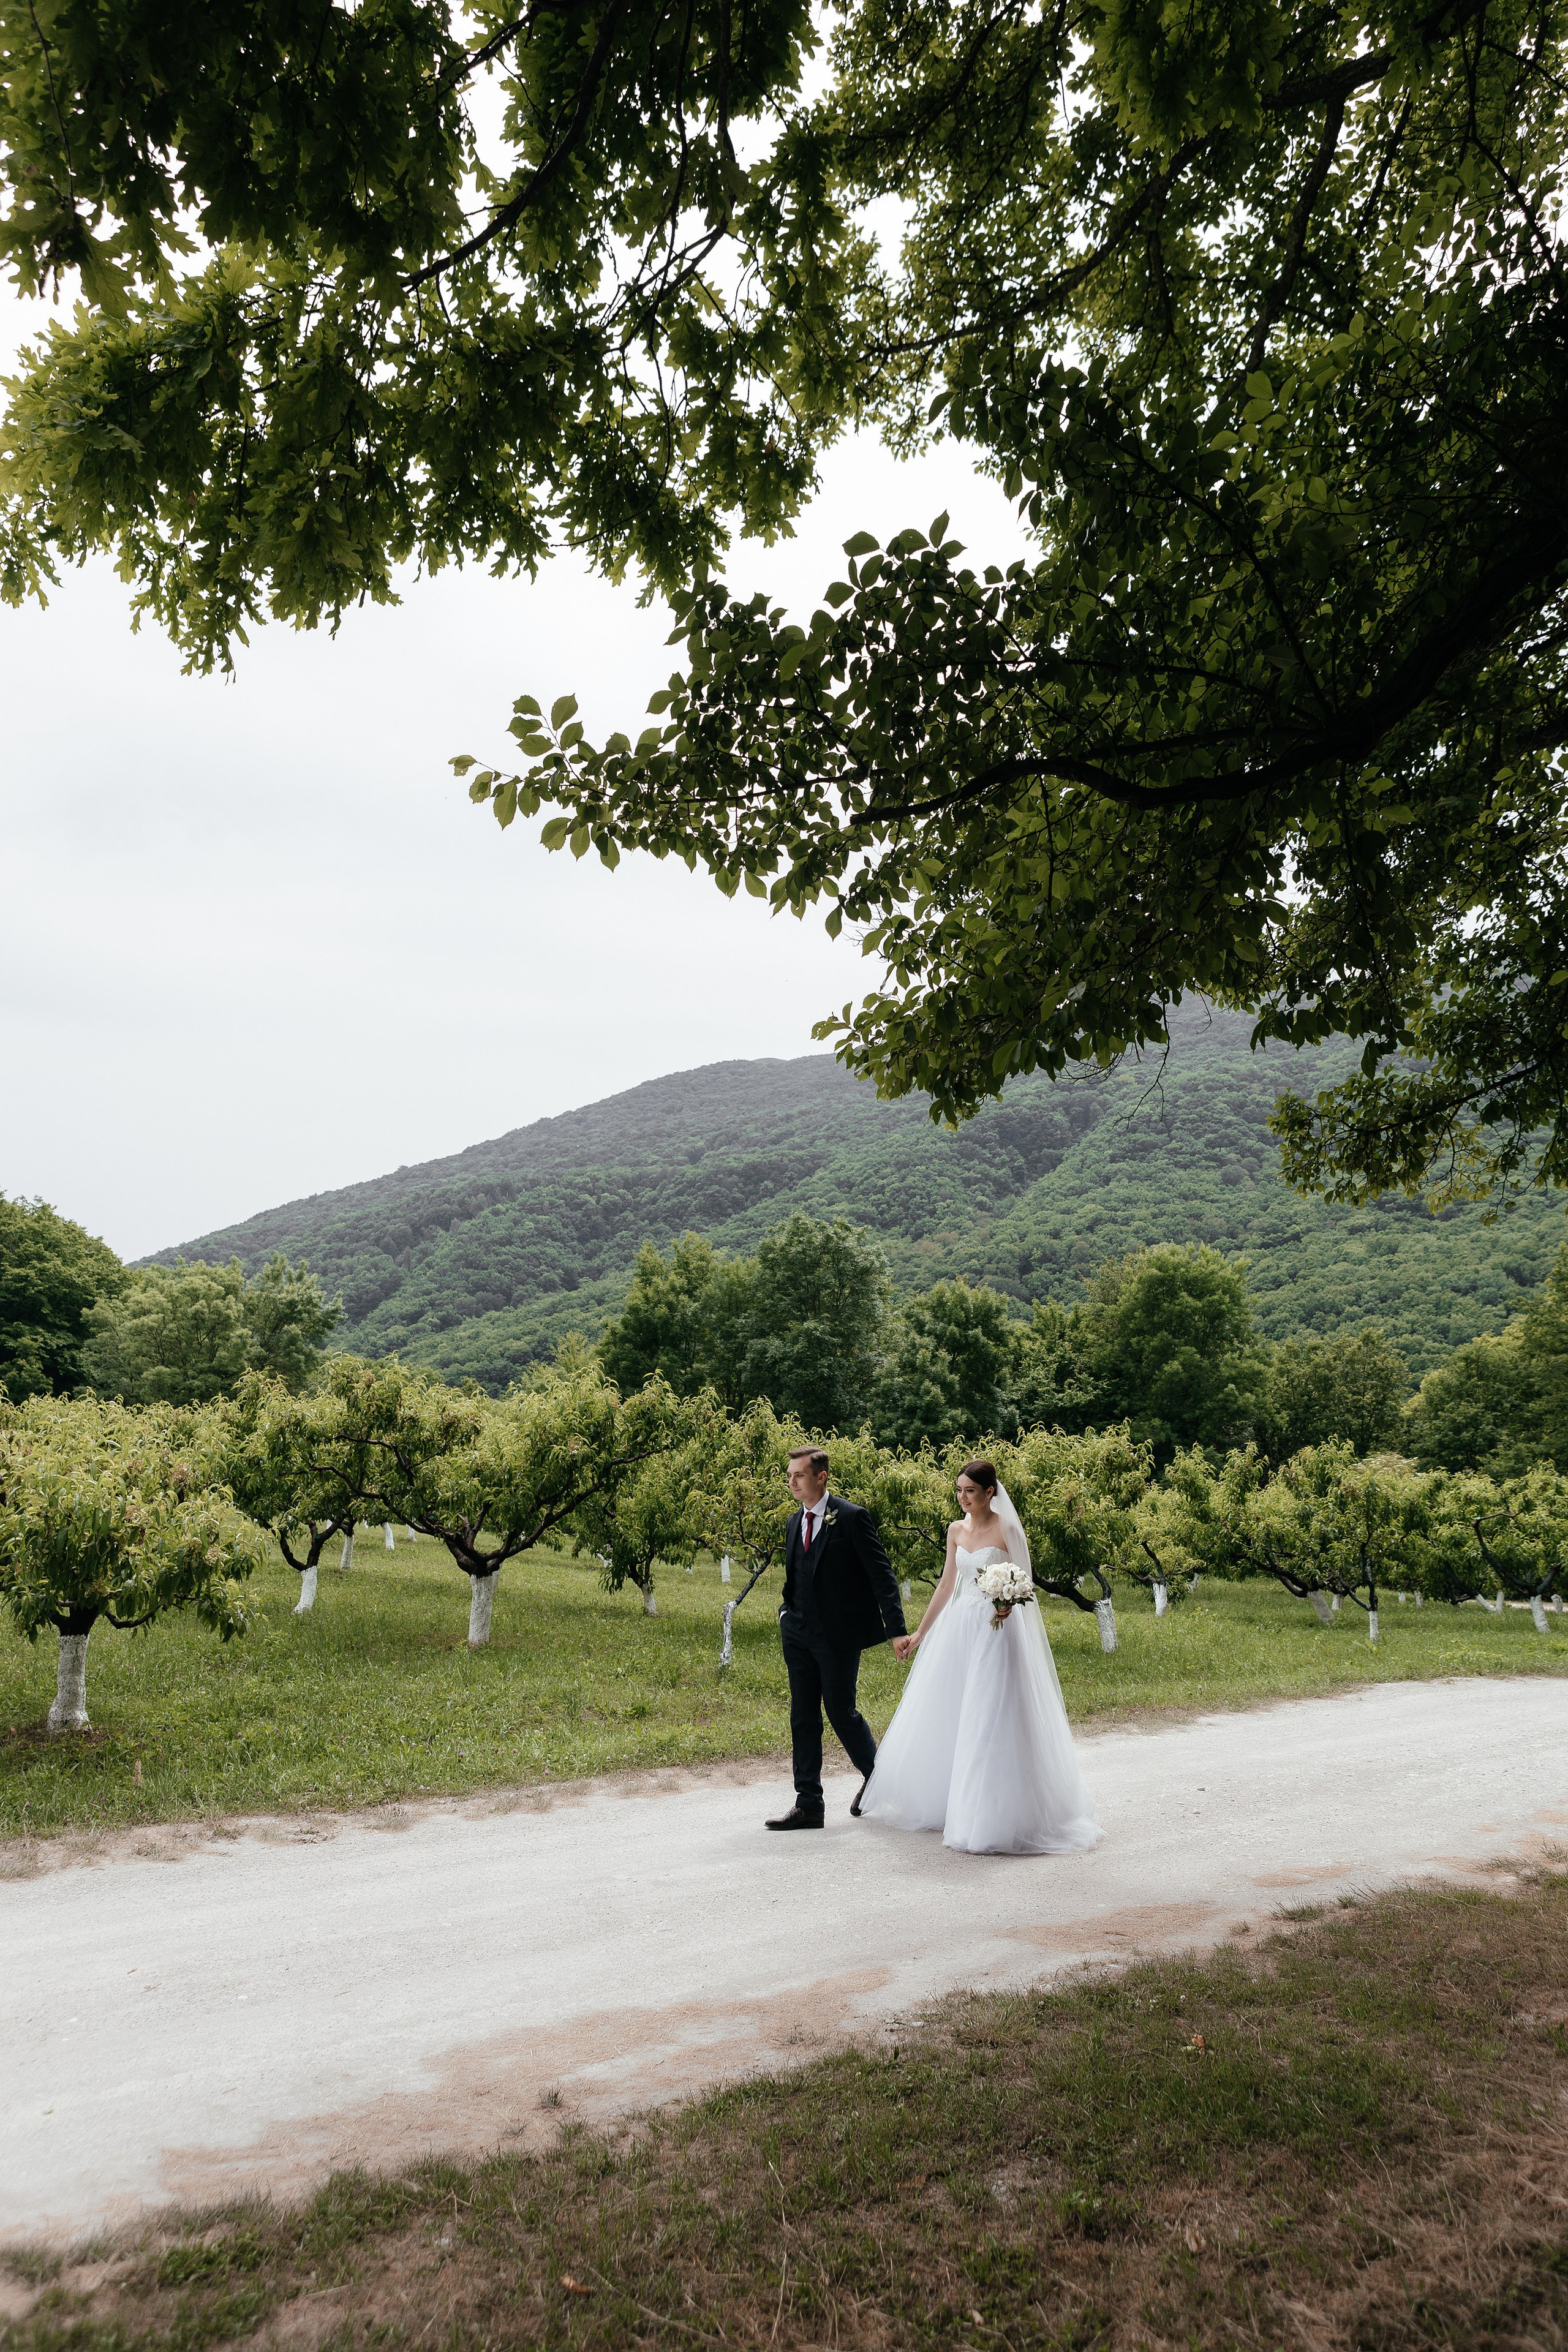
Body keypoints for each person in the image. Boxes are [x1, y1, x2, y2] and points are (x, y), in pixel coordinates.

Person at [859, 1459, 1101, 1856]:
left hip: (996, 1630)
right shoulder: (955, 1530)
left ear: (990, 1492)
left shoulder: (1007, 1529)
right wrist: (920, 1633)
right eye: (959, 1490)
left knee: (987, 1713)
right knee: (952, 1711)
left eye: (970, 1491)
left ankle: (989, 1816)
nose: (963, 1497)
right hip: (959, 1627)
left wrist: (1008, 1603)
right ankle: (951, 1803)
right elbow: (946, 1585)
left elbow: (1024, 1581)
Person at [765, 1446, 906, 1831]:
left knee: (841, 1711)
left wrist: (896, 1630)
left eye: (799, 1475)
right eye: (790, 1475)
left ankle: (877, 1779)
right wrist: (785, 1614)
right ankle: (809, 1804)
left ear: (821, 1477)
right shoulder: (794, 1522)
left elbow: (882, 1576)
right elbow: (795, 1576)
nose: (792, 1482)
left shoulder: (852, 1518)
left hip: (837, 1636)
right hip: (797, 1633)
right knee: (802, 1716)